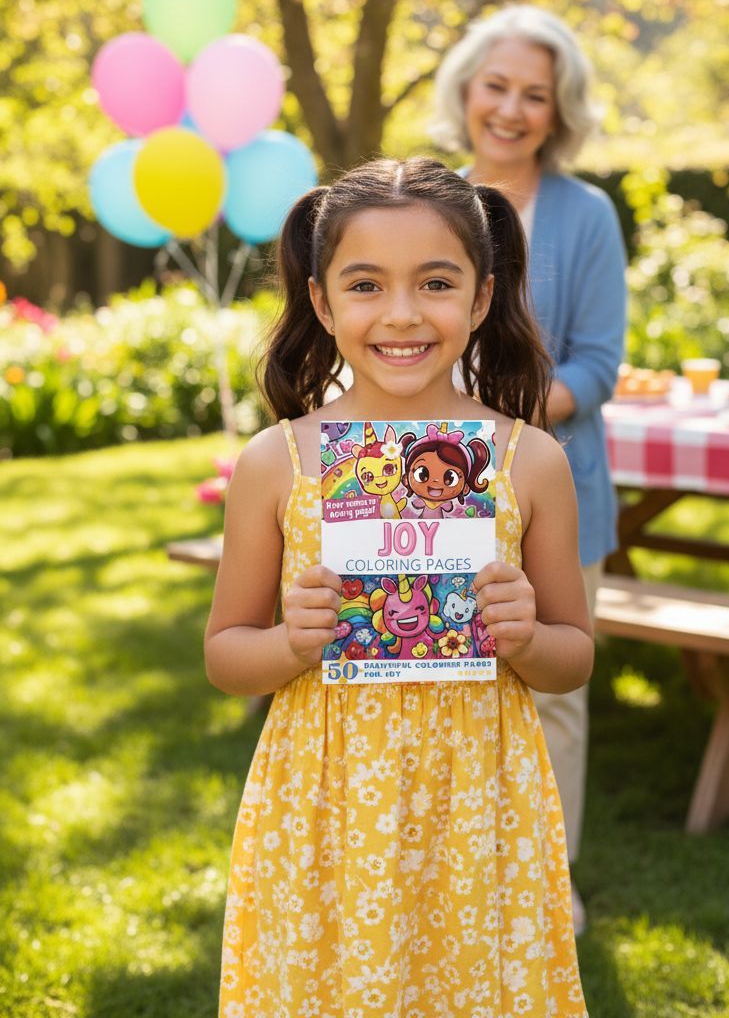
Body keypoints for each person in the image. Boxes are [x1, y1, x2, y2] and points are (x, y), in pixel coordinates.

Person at [205, 157, 594, 1017]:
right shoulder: (281, 462)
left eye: (437, 282)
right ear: (321, 302)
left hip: (479, 804)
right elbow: (227, 655)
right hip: (326, 805)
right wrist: (287, 641)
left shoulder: (530, 460)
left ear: (483, 298)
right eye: (366, 284)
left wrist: (528, 637)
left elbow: (574, 659)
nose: (403, 314)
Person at [432, 5, 628, 933]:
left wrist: (499, 430)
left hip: (554, 488)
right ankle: (457, 868)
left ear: (560, 113)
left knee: (552, 692)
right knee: (442, 685)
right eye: (496, 86)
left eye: (534, 96)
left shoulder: (586, 215)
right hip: (428, 492)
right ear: (467, 91)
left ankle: (548, 877)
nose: (510, 109)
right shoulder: (426, 198)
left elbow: (595, 364)